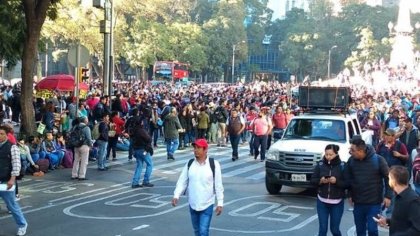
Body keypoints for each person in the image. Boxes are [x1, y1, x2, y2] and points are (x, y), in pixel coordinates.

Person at [171, 139, 224, 236]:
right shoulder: (190, 164)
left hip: (207, 204)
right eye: (195, 148)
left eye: (198, 148)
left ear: (205, 150)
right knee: (197, 231)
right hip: (193, 203)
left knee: (203, 231)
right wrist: (176, 195)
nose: (195, 150)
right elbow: (182, 181)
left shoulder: (214, 165)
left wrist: (220, 202)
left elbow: (218, 185)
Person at [344, 138, 392, 236]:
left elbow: (388, 178)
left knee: (372, 229)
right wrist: (349, 194)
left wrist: (388, 196)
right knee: (360, 229)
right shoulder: (351, 161)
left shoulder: (378, 160)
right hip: (358, 202)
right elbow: (348, 179)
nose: (350, 152)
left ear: (361, 151)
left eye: (352, 150)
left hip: (374, 202)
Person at [310, 144, 346, 236]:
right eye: (326, 154)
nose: (328, 157)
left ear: (336, 154)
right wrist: (320, 181)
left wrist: (336, 181)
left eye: (331, 154)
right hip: (322, 201)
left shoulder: (342, 166)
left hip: (337, 202)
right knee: (322, 229)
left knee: (335, 229)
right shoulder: (320, 165)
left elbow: (347, 184)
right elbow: (313, 180)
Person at [375, 165, 420, 235]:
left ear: (394, 180)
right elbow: (402, 221)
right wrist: (387, 221)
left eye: (389, 178)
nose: (388, 180)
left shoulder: (413, 200)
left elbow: (417, 229)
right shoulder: (398, 196)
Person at [0, 125, 28, 235]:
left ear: (7, 135)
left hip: (6, 180)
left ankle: (22, 225)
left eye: (2, 134)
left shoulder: (12, 147)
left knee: (12, 205)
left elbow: (16, 164)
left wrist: (12, 179)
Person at [131, 119, 154, 188]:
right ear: (141, 123)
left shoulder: (134, 130)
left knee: (139, 166)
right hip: (143, 149)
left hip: (136, 150)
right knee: (150, 165)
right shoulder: (141, 130)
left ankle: (135, 182)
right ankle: (146, 181)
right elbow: (149, 139)